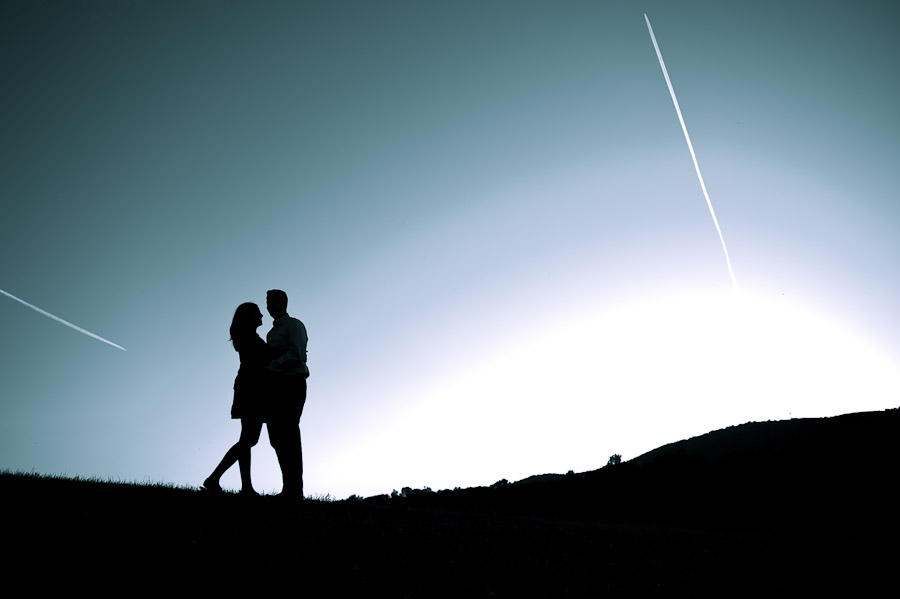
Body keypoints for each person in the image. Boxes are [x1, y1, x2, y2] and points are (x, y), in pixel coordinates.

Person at [203, 302, 273, 495]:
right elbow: (259, 363)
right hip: (252, 388)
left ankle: (245, 486)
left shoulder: (247, 337)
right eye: (258, 313)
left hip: (249, 387)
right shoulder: (249, 338)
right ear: (250, 316)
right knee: (249, 439)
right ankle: (215, 478)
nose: (262, 316)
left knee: (247, 439)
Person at [265, 289, 309, 500]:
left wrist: (272, 367)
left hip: (292, 384)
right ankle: (287, 487)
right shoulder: (271, 333)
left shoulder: (294, 325)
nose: (268, 306)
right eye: (267, 302)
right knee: (276, 437)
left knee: (289, 435)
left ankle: (295, 490)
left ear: (283, 303)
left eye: (272, 302)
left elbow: (296, 353)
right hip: (276, 386)